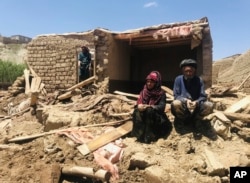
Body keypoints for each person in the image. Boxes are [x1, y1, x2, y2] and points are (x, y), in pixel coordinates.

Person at [171, 59, 214, 134]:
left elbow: (203, 96)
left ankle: (197, 120)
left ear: (194, 71)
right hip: (183, 106)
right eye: (186, 71)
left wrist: (196, 102)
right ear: (183, 71)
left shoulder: (199, 80)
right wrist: (185, 100)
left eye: (190, 71)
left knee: (209, 105)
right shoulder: (178, 79)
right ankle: (181, 121)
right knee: (176, 103)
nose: (188, 73)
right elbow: (176, 95)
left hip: (196, 106)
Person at [131, 71, 171, 143]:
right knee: (137, 111)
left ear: (156, 83)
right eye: (148, 82)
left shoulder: (161, 94)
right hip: (145, 115)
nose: (149, 84)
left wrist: (150, 106)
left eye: (152, 82)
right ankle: (139, 136)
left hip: (157, 118)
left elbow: (161, 107)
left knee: (149, 110)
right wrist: (139, 106)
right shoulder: (143, 92)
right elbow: (139, 102)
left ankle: (149, 137)